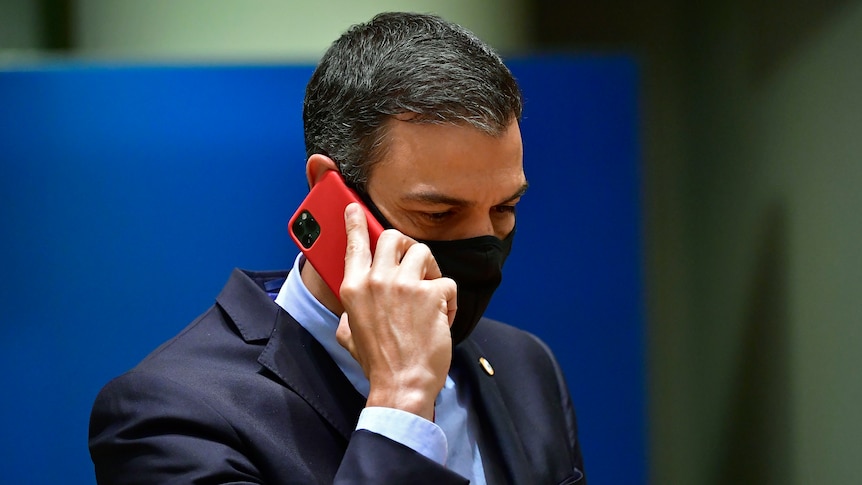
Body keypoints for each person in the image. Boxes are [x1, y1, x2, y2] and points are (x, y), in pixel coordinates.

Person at [89, 11, 586, 484]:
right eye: (437, 214)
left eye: (504, 209)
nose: (482, 246)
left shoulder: (525, 365)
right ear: (330, 191)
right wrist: (400, 402)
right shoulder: (171, 414)